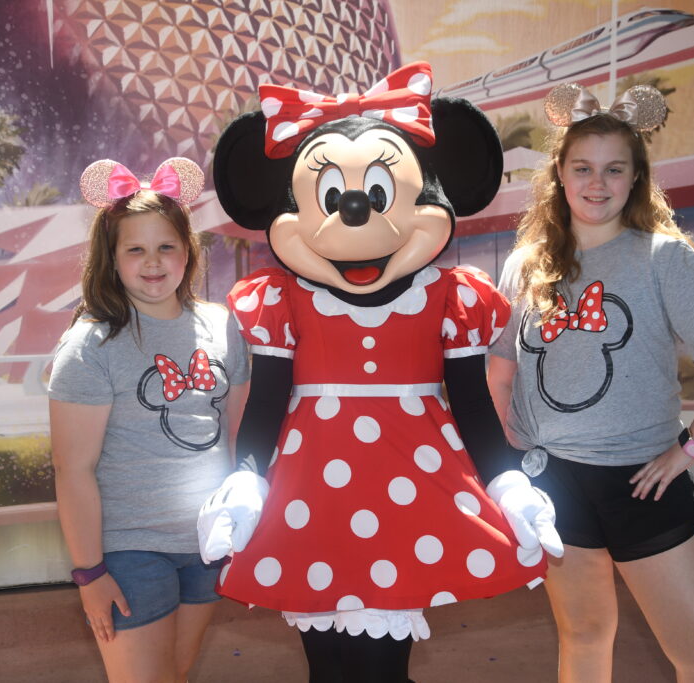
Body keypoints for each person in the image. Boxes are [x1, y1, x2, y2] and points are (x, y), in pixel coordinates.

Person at [197, 62, 560, 682]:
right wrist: (246, 480)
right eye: (332, 198)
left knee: (382, 666)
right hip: (309, 500)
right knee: (328, 667)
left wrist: (507, 483)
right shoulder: (281, 300)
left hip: (411, 497)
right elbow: (267, 403)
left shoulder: (452, 296)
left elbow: (473, 404)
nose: (357, 214)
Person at [488, 83, 694, 683]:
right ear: (559, 176)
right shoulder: (525, 265)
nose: (598, 183)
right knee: (584, 636)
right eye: (583, 168)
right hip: (554, 482)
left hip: (642, 481)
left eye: (614, 170)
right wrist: (511, 453)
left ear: (635, 178)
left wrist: (688, 448)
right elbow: (502, 366)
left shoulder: (662, 259)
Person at [48, 157, 249, 682]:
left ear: (189, 251)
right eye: (135, 249)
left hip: (205, 546)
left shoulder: (225, 328)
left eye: (166, 247)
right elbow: (73, 471)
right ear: (111, 259)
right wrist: (90, 574)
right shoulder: (91, 346)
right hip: (129, 551)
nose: (153, 262)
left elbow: (240, 440)